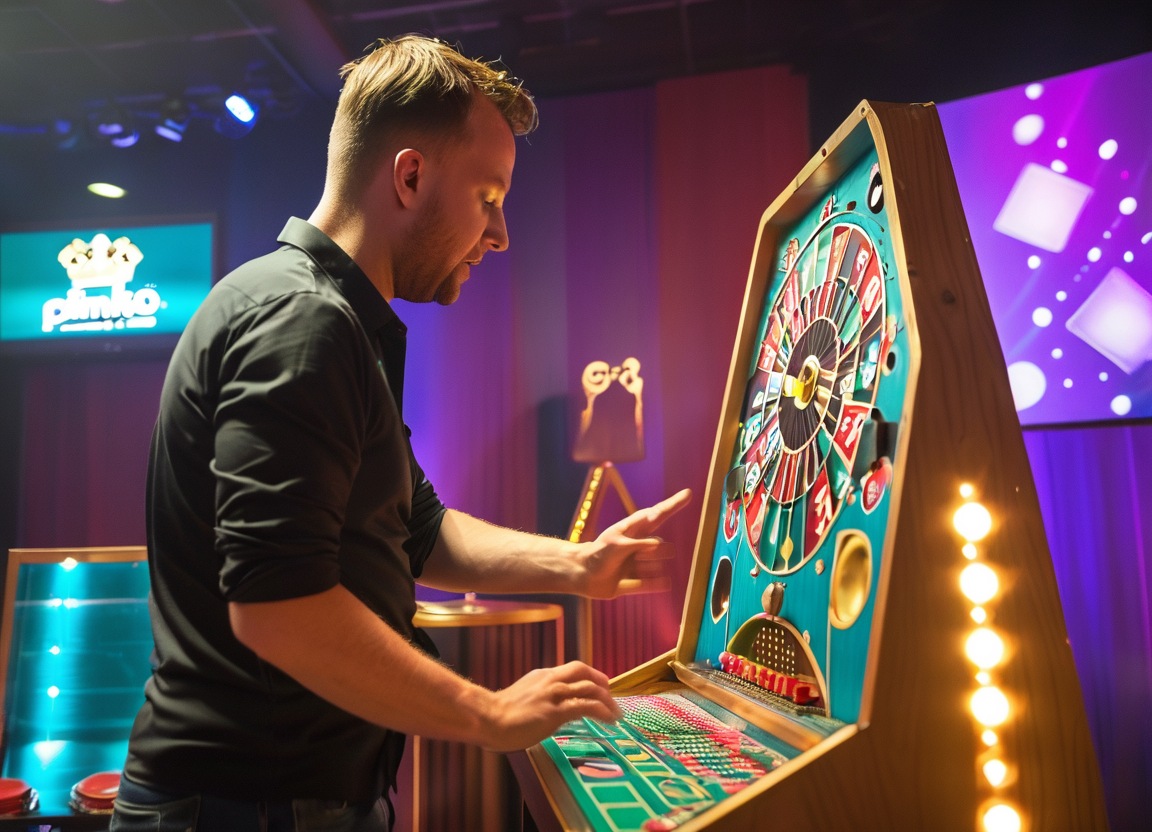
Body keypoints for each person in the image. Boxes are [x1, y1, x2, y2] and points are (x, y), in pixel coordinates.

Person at [110, 33, 691, 832]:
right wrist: (486, 712)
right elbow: (276, 607)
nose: (501, 234)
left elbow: (420, 530)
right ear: (411, 176)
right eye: (488, 198)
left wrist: (579, 564)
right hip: (247, 806)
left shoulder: (331, 319)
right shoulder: (301, 323)